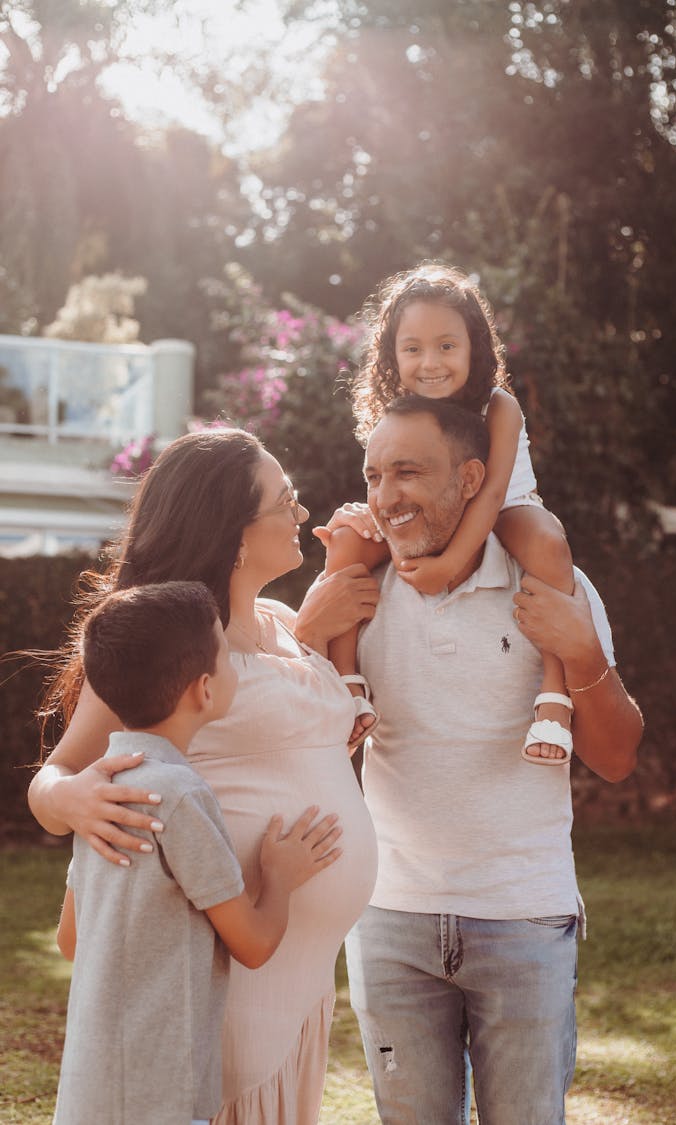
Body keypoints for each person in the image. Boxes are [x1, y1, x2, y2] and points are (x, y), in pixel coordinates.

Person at [27, 427, 380, 1125]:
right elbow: (56, 776)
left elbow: (271, 741)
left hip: (300, 983)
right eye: (286, 500)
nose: (301, 513)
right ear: (236, 535)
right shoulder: (175, 649)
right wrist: (73, 795)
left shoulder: (282, 625)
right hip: (223, 993)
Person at [316, 396, 644, 1125]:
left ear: (471, 477)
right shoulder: (356, 592)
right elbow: (284, 727)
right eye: (374, 475)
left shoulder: (552, 582)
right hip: (390, 920)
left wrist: (584, 651)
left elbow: (616, 757)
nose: (385, 496)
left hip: (523, 919)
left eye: (408, 472)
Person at [54, 580, 342, 1125]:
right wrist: (278, 876)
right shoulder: (181, 795)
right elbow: (253, 944)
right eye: (228, 658)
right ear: (204, 691)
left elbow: (71, 939)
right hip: (164, 1097)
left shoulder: (102, 787)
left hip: (88, 1096)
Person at [326, 262, 576, 763]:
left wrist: (443, 566)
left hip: (504, 507)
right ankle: (346, 682)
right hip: (423, 513)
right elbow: (386, 482)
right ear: (392, 356)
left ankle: (555, 698)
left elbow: (488, 496)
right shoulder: (395, 411)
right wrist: (368, 515)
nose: (430, 362)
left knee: (548, 541)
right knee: (347, 538)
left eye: (446, 345)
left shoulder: (499, 405)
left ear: (473, 348)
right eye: (412, 348)